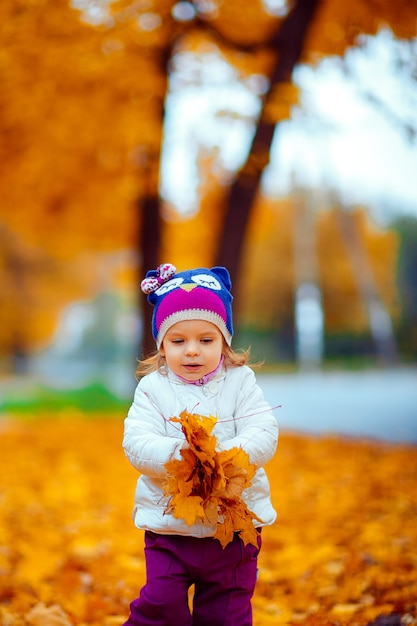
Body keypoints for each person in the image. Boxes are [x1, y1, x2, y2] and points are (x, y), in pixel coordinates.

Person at [122, 263, 278, 626]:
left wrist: (228, 457)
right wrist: (178, 457)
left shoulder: (241, 381)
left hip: (234, 528)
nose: (192, 351)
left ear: (224, 340)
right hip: (171, 527)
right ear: (161, 345)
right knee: (161, 606)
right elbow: (136, 442)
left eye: (206, 340)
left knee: (226, 614)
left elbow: (263, 429)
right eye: (178, 341)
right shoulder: (153, 389)